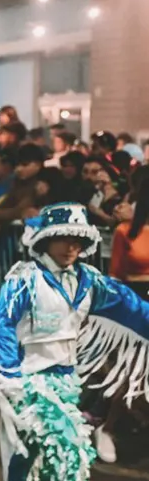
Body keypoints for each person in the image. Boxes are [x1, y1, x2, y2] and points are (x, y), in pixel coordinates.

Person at [0, 203, 149, 481]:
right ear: (44, 241)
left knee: (27, 456)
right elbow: (3, 324)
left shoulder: (88, 280)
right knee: (69, 441)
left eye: (76, 239)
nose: (70, 247)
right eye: (62, 239)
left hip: (64, 380)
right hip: (28, 379)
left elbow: (130, 306)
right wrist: (8, 373)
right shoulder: (25, 278)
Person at [96, 176, 149, 462]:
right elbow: (115, 276)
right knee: (133, 374)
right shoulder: (126, 231)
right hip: (138, 303)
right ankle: (107, 428)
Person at [0, 143, 46, 237]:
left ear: (37, 165)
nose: (19, 169)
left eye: (24, 164)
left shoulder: (42, 183)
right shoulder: (17, 183)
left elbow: (19, 210)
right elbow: (6, 204)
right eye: (17, 165)